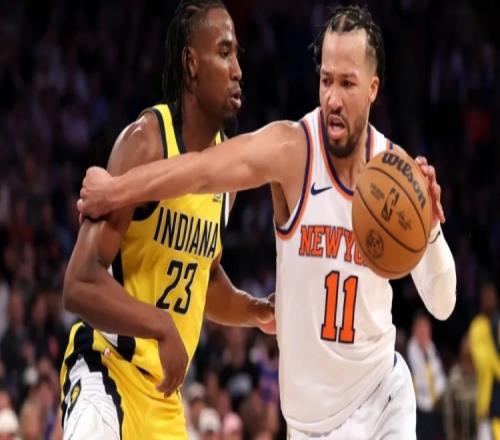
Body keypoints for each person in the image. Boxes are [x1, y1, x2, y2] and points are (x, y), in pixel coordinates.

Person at [77, 5, 457, 439]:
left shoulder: (397, 175)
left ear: (373, 89)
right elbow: (200, 170)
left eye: (347, 83)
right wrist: (117, 189)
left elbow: (443, 304)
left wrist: (430, 228)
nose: (332, 97)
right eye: (326, 80)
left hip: (382, 393)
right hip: (312, 423)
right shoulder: (293, 150)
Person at [60, 1, 274, 439]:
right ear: (191, 63)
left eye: (237, 56)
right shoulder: (145, 143)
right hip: (106, 368)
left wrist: (256, 311)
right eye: (224, 53)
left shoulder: (225, 175)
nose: (238, 70)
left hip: (163, 397)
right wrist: (160, 325)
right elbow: (78, 283)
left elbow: (202, 277)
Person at [407, 311, 447, 439]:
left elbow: (441, 378)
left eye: (426, 328)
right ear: (414, 330)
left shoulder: (432, 350)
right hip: (416, 411)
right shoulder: (408, 354)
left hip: (435, 409)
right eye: (421, 328)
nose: (424, 332)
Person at [469, 282, 500, 440]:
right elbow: (482, 362)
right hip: (487, 403)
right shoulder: (476, 326)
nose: (489, 301)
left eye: (491, 297)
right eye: (485, 298)